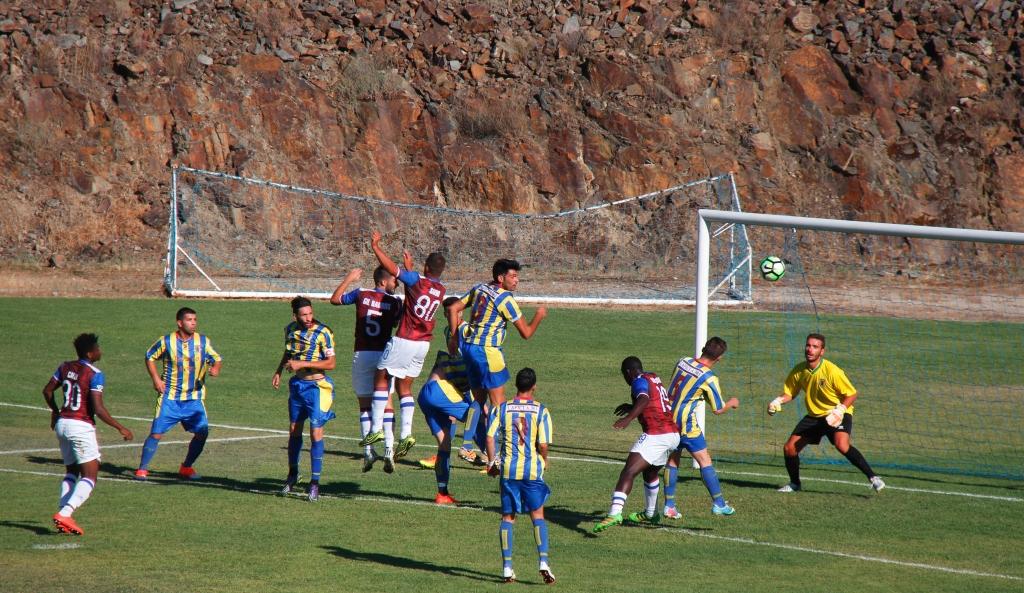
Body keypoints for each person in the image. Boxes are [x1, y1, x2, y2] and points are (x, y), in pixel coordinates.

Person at [445, 259, 546, 464]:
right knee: (498, 405)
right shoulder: (505, 299)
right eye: (513, 276)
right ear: (501, 278)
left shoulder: (480, 288)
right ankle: (496, 454)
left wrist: (455, 338)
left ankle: (466, 446)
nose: (517, 280)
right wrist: (539, 316)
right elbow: (526, 333)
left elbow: (453, 308)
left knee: (478, 400)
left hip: (471, 349)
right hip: (488, 353)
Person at [360, 231, 446, 466]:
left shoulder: (415, 280)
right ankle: (406, 434)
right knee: (404, 386)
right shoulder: (440, 290)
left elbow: (390, 267)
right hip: (423, 345)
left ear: (426, 267)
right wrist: (411, 271)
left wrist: (376, 247)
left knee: (381, 377)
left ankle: (376, 428)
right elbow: (417, 292)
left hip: (405, 340)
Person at [767, 333, 885, 493]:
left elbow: (852, 394)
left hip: (837, 413)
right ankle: (795, 484)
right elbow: (790, 393)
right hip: (815, 416)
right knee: (789, 448)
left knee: (841, 445)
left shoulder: (832, 371)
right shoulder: (799, 371)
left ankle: (873, 477)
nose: (810, 349)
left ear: (822, 351)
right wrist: (777, 401)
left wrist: (840, 410)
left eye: (815, 347)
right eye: (808, 345)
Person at [42, 333, 134, 535]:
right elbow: (99, 409)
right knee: (90, 475)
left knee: (71, 471)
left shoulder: (64, 367)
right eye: (98, 348)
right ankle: (65, 513)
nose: (101, 350)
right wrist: (120, 427)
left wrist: (55, 412)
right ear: (90, 353)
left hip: (62, 424)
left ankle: (63, 515)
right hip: (80, 427)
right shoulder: (94, 373)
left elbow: (47, 391)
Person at [592, 357, 679, 533]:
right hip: (673, 434)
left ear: (629, 372)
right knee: (650, 471)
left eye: (624, 375)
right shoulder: (653, 377)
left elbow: (644, 399)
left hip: (657, 434)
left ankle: (615, 513)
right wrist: (631, 407)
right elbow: (652, 400)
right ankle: (650, 513)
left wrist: (628, 418)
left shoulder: (638, 381)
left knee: (629, 471)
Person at [485, 368, 554, 584]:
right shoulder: (541, 411)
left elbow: (489, 437)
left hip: (508, 469)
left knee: (508, 518)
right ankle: (543, 561)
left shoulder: (501, 409)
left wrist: (492, 461)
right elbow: (542, 444)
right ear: (534, 386)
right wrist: (545, 460)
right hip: (531, 469)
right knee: (538, 516)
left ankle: (507, 568)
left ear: (516, 385)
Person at [136, 307, 221, 481]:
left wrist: (215, 368)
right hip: (170, 397)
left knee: (202, 433)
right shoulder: (166, 341)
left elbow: (217, 358)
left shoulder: (202, 341)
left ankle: (186, 467)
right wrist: (155, 379)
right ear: (180, 323)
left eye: (195, 320)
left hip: (194, 398)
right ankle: (142, 469)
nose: (193, 323)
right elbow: (149, 356)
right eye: (190, 320)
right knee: (156, 434)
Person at [329, 266, 401, 472]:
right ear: (382, 281)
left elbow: (335, 299)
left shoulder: (360, 294)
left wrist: (349, 278)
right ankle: (388, 448)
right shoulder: (395, 302)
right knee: (387, 403)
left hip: (362, 354)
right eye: (394, 281)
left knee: (364, 405)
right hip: (384, 355)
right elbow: (396, 323)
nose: (396, 284)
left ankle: (368, 452)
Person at [662, 337, 739, 519]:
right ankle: (719, 503)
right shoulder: (709, 377)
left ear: (704, 348)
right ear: (719, 358)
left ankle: (669, 506)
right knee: (704, 460)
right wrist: (732, 403)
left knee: (673, 461)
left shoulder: (682, 361)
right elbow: (718, 409)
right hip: (686, 425)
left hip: (667, 419)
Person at [272, 296, 337, 501]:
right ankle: (292, 475)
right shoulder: (290, 329)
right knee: (294, 430)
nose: (309, 318)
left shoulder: (324, 332)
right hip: (298, 387)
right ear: (295, 316)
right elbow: (289, 351)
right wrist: (279, 371)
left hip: (318, 388)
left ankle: (315, 483)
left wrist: (301, 365)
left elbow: (331, 363)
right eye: (304, 315)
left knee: (316, 432)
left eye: (310, 313)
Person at [416, 333, 474, 504]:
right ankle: (470, 447)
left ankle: (442, 493)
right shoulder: (469, 362)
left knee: (445, 443)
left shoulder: (446, 357)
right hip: (438, 392)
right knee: (477, 416)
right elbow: (475, 402)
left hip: (425, 396)